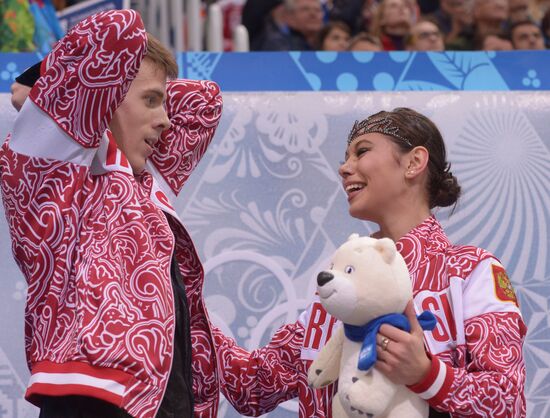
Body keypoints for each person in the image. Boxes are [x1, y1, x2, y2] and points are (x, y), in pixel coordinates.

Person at [213, 108, 527, 417]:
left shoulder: (470, 271)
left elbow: (507, 400)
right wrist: (176, 297)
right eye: (345, 158)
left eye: (361, 152)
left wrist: (427, 375)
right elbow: (252, 386)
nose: (344, 168)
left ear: (414, 162)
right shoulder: (338, 288)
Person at [1, 9, 223, 418]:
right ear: (99, 96)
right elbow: (117, 30)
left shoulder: (143, 180)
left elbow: (204, 103)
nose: (166, 121)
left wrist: (140, 90)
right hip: (90, 401)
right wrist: (41, 89)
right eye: (151, 101)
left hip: (159, 403)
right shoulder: (52, 170)